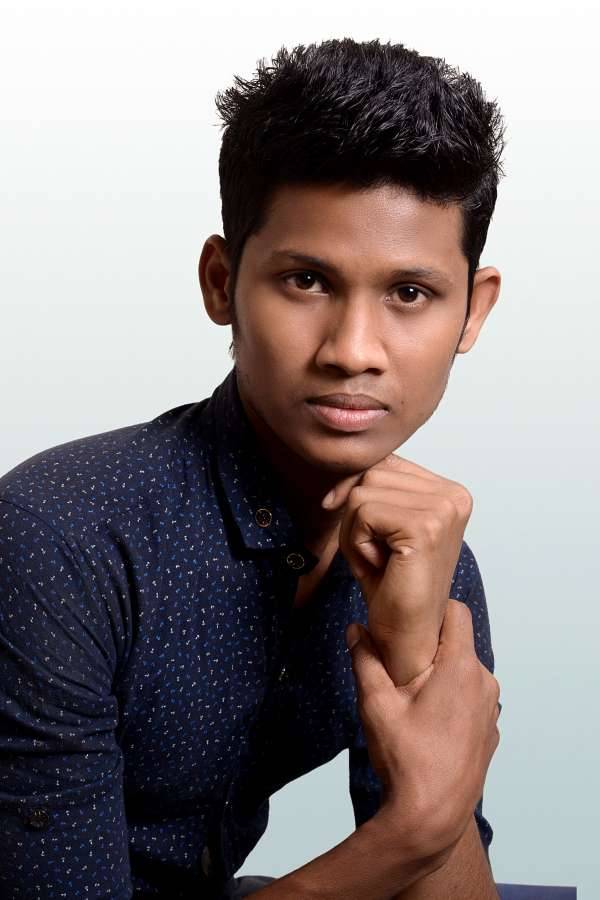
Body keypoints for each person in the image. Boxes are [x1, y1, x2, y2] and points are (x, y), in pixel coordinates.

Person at [0, 37, 504, 899]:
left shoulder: (429, 554)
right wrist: (413, 831)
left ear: (473, 310)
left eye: (409, 294)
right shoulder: (57, 541)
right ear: (221, 282)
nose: (353, 350)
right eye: (306, 281)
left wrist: (413, 656)